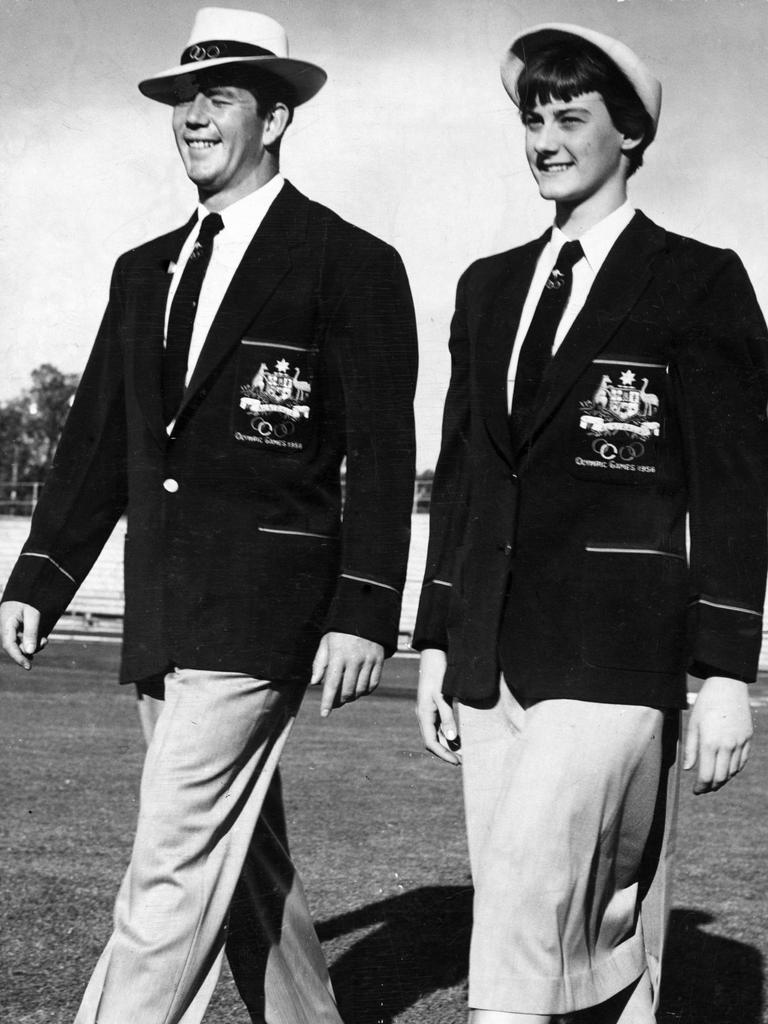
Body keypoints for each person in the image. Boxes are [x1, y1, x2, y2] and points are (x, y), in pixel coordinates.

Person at [0, 8, 417, 1023]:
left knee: (171, 866)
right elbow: (98, 439)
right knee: (243, 858)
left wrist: (364, 607)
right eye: (182, 97)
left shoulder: (348, 262)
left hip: (263, 613)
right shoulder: (142, 271)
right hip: (160, 612)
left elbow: (386, 450)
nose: (192, 116)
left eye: (218, 96)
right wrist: (41, 577)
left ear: (274, 117)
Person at [414, 22, 767, 1024]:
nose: (544, 139)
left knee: (522, 916)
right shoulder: (487, 290)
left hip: (616, 654)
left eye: (571, 117)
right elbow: (468, 473)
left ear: (633, 137)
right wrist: (437, 636)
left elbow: (738, 487)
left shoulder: (698, 281)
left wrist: (728, 671)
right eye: (534, 119)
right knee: (586, 924)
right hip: (491, 655)